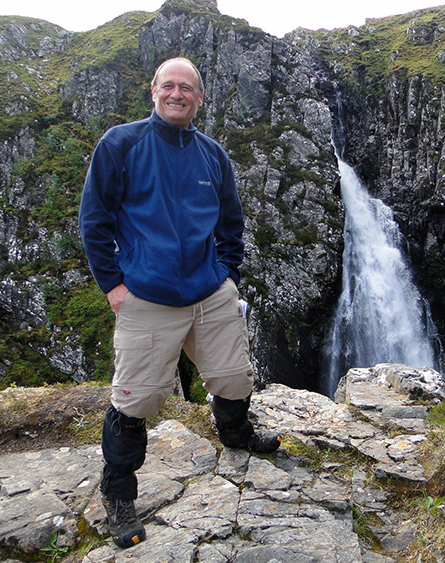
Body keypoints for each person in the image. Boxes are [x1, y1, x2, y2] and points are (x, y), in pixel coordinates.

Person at [79, 57, 281, 549]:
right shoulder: (120, 144)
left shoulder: (212, 154)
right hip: (147, 296)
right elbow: (94, 219)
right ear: (153, 91)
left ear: (199, 97)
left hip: (210, 291)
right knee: (135, 399)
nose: (176, 93)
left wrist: (227, 275)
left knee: (234, 376)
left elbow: (231, 222)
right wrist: (113, 285)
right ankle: (119, 492)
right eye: (168, 85)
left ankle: (235, 434)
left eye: (186, 87)